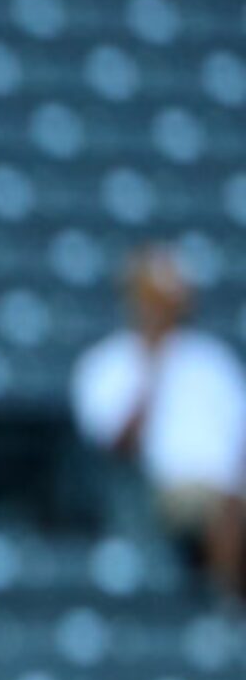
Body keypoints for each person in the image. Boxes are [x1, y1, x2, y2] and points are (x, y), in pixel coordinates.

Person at [71, 245, 246, 605]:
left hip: (228, 484)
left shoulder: (212, 360)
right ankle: (227, 611)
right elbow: (119, 447)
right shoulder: (109, 363)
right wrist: (153, 367)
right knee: (229, 506)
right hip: (160, 491)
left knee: (233, 498)